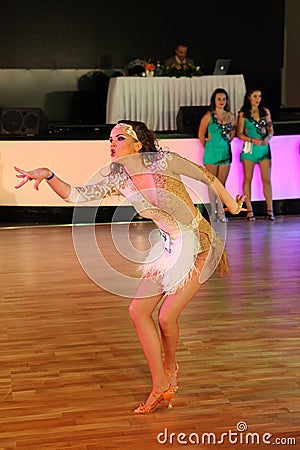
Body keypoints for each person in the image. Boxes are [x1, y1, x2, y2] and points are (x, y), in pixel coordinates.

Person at [14, 120, 246, 414]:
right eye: (110, 139)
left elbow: (208, 179)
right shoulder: (120, 180)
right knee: (137, 311)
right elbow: (76, 195)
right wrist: (49, 175)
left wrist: (234, 207)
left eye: (119, 138)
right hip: (169, 245)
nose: (112, 143)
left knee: (166, 316)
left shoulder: (166, 162)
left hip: (200, 242)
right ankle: (161, 385)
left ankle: (170, 363)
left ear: (139, 144)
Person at [198, 88, 236, 222]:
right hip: (211, 152)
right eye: (219, 99)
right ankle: (213, 212)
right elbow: (201, 134)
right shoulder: (208, 116)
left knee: (222, 183)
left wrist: (225, 143)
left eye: (224, 99)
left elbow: (232, 134)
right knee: (212, 183)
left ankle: (221, 211)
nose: (221, 102)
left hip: (225, 152)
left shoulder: (230, 117)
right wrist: (208, 146)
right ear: (214, 100)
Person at [237, 86, 275, 221]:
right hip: (250, 148)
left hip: (263, 149)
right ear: (249, 97)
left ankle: (270, 209)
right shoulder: (243, 114)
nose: (257, 99)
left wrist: (268, 137)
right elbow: (239, 133)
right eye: (254, 96)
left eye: (259, 96)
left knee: (267, 179)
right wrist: (251, 139)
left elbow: (271, 129)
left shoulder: (265, 112)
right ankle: (249, 210)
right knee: (248, 178)